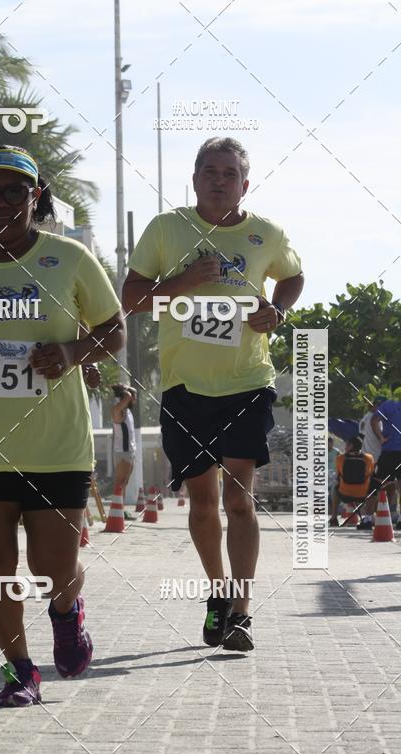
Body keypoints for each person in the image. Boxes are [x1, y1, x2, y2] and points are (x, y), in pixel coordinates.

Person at [0, 145, 125, 707]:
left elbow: (114, 332)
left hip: (56, 444)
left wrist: (71, 350)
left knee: (51, 566)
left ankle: (66, 608)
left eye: (15, 191)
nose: (1, 202)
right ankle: (19, 670)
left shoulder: (71, 258)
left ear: (36, 197)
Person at [123, 137, 304, 652]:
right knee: (202, 503)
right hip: (185, 387)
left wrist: (277, 309)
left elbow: (293, 276)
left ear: (244, 184)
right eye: (210, 172)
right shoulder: (167, 229)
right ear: (195, 178)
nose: (219, 181)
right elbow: (132, 299)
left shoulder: (265, 233)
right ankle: (218, 594)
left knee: (239, 497)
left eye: (230, 174)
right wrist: (182, 280)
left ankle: (243, 614)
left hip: (247, 382)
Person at [361, 396, 401, 529]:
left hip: (389, 452)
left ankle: (367, 519)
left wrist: (381, 438)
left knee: (375, 483)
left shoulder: (388, 405)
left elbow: (374, 420)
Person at [329, 436, 374, 526]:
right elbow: (370, 474)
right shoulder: (369, 458)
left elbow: (338, 476)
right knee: (374, 489)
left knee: (335, 488)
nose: (345, 447)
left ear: (351, 446)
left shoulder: (340, 458)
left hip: (344, 494)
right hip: (363, 495)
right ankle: (369, 517)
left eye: (346, 445)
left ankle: (334, 518)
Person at [357, 395, 386, 529]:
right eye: (380, 405)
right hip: (376, 457)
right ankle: (369, 517)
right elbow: (379, 436)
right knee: (376, 487)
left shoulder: (364, 419)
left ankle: (369, 516)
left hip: (366, 457)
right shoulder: (376, 419)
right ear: (374, 405)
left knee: (371, 488)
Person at [111, 383, 137, 516]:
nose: (135, 400)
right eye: (134, 397)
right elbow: (116, 409)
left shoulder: (128, 412)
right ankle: (117, 510)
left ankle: (120, 509)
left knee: (124, 481)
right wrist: (126, 393)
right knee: (120, 481)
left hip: (130, 451)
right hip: (122, 451)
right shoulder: (118, 411)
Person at [327, 436, 339, 516]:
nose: (329, 445)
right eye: (328, 443)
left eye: (330, 443)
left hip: (334, 475)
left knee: (333, 493)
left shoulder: (336, 452)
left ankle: (333, 510)